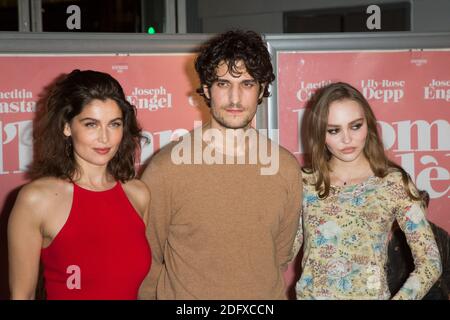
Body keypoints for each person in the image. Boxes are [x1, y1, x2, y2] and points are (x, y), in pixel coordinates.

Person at [139, 30, 302, 299]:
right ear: (206, 88)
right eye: (223, 84)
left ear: (261, 90)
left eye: (247, 84)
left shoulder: (285, 169)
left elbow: (280, 256)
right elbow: (147, 259)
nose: (235, 98)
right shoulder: (165, 169)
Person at [8, 70, 152, 300]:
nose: (105, 138)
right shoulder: (36, 199)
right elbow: (21, 295)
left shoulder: (138, 194)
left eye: (114, 124)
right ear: (67, 127)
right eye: (91, 124)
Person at [291, 81, 442, 299]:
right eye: (334, 130)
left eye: (355, 126)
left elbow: (430, 261)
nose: (346, 139)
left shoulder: (393, 182)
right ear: (320, 134)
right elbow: (283, 255)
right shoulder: (304, 183)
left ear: (368, 124)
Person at [387, 191, 450, 300]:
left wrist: (446, 290)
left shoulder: (442, 235)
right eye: (413, 208)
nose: (417, 212)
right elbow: (392, 270)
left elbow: (448, 267)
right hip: (408, 292)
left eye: (421, 207)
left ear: (426, 207)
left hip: (435, 291)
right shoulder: (399, 235)